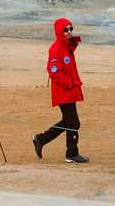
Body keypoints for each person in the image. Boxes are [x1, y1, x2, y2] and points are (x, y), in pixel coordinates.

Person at [33, 17, 88, 163]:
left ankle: (40, 139)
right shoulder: (56, 48)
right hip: (63, 90)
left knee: (69, 122)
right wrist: (69, 84)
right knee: (74, 123)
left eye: (71, 29)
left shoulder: (66, 46)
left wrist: (73, 40)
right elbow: (53, 71)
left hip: (70, 89)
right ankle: (71, 154)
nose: (69, 32)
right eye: (66, 30)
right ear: (59, 31)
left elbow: (70, 49)